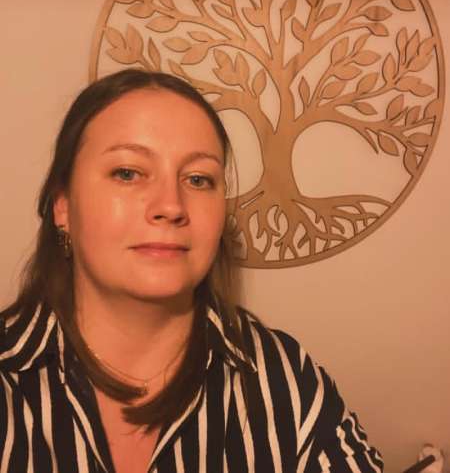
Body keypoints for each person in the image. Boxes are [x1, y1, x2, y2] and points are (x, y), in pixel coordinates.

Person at [0, 69, 383, 473]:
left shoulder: (283, 375)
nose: (171, 205)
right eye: (127, 173)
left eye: (198, 179)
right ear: (62, 205)